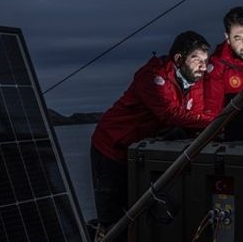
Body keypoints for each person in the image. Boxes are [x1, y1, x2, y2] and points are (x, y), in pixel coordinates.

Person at [89, 30, 214, 230]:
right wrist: (217, 121)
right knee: (112, 206)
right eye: (196, 59)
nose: (203, 66)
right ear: (179, 59)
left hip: (139, 151)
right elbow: (169, 114)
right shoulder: (152, 76)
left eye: (205, 60)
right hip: (112, 145)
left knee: (138, 206)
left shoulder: (195, 82)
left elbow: (194, 117)